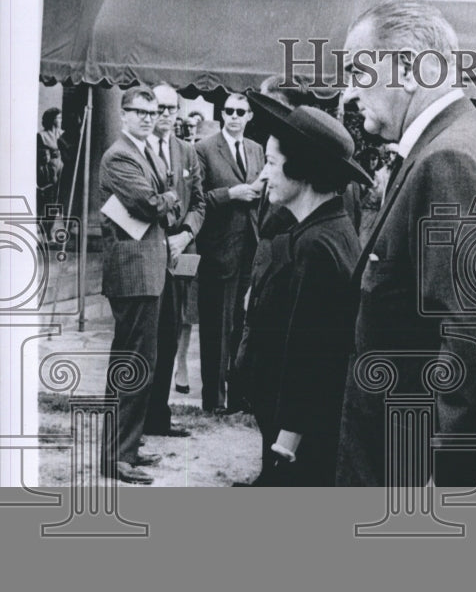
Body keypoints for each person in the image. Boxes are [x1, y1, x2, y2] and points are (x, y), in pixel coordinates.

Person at [336, 0, 476, 488]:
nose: (349, 92)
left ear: (410, 69)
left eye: (358, 70)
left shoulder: (450, 159)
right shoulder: (472, 139)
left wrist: (453, 484)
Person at [236, 102, 368, 485]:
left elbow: (315, 356)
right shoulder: (320, 230)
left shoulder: (317, 246)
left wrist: (288, 439)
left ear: (304, 170)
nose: (264, 175)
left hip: (299, 437)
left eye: (273, 163)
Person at [98, 86, 180, 484]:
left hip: (146, 269)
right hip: (134, 274)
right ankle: (116, 456)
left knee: (139, 364)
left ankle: (124, 450)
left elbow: (155, 199)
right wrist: (169, 196)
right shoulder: (120, 155)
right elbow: (148, 203)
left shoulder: (141, 151)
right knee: (132, 365)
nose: (149, 117)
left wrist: (164, 197)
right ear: (124, 114)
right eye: (141, 111)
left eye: (154, 111)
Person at [142, 83, 206, 436]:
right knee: (144, 337)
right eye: (158, 107)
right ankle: (138, 416)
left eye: (170, 108)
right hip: (149, 255)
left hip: (179, 255)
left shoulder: (186, 152)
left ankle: (158, 417)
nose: (164, 114)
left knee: (170, 333)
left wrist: (185, 235)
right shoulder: (137, 151)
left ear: (178, 111)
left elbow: (199, 203)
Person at [195, 93, 264, 414]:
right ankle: (214, 400)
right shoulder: (205, 149)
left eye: (241, 112)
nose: (234, 117)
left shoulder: (256, 150)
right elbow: (196, 198)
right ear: (222, 114)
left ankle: (239, 396)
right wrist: (230, 194)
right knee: (216, 327)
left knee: (244, 325)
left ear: (249, 116)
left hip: (251, 247)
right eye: (229, 111)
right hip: (219, 249)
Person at [36, 107, 65, 234]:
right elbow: (40, 157)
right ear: (51, 120)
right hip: (50, 170)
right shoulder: (41, 136)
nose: (60, 120)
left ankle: (51, 229)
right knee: (49, 199)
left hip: (63, 168)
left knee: (59, 199)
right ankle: (45, 230)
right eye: (58, 118)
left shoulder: (62, 134)